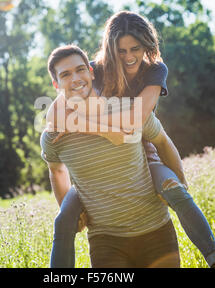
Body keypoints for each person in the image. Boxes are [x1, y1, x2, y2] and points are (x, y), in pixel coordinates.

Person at [45, 11, 215, 268]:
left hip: (144, 151)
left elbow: (135, 121)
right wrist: (101, 131)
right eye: (121, 51)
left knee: (177, 191)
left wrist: (180, 179)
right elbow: (54, 113)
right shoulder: (94, 70)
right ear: (110, 49)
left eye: (136, 48)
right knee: (64, 219)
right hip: (99, 164)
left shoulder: (154, 70)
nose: (129, 57)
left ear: (147, 46)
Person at [41, 45, 180, 267]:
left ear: (91, 72)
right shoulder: (54, 135)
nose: (76, 78)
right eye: (65, 74)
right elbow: (56, 170)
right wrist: (71, 212)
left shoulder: (130, 110)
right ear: (56, 84)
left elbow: (162, 140)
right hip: (105, 241)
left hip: (156, 230)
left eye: (80, 69)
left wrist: (180, 183)